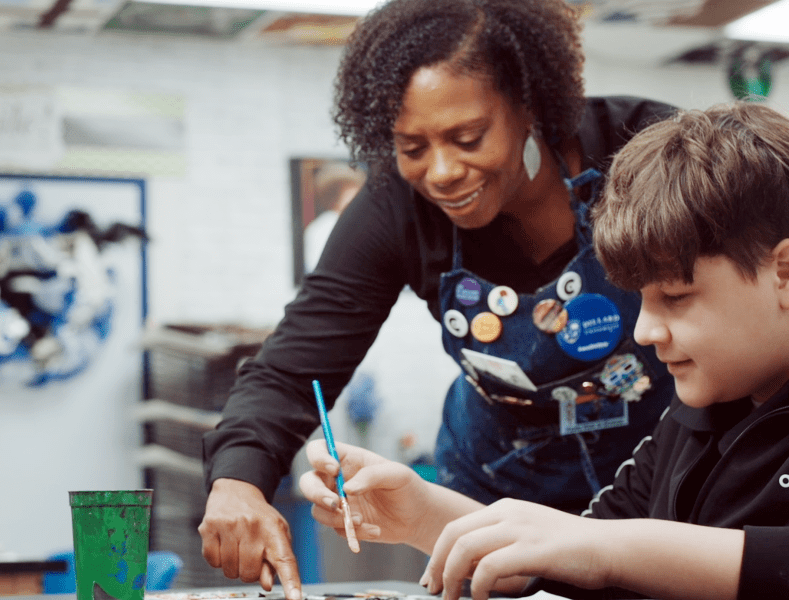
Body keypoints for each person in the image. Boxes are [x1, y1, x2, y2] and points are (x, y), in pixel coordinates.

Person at [199, 0, 677, 594]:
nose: (442, 171)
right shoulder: (395, 209)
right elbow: (291, 368)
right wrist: (238, 480)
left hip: (657, 477)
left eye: (467, 138)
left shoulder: (649, 153)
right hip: (492, 493)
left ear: (530, 104)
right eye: (411, 148)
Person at [299, 101, 789, 600]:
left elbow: (609, 549)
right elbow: (568, 553)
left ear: (784, 273)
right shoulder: (696, 416)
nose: (644, 331)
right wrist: (420, 513)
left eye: (676, 297)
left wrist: (608, 549)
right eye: (642, 300)